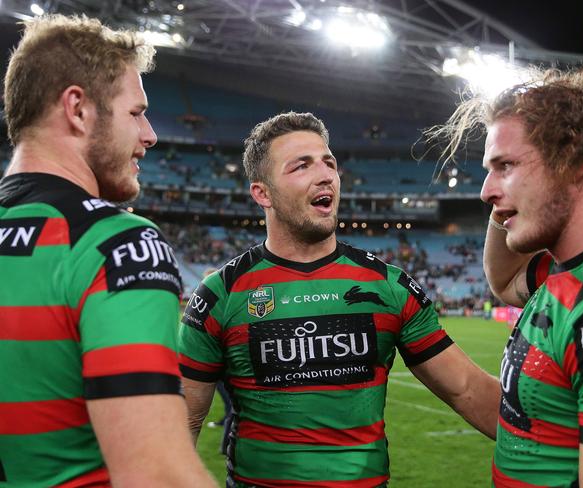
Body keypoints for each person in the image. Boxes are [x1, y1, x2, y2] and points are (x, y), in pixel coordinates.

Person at [178, 111, 500, 487]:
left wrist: (568, 444)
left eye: (329, 163)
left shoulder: (388, 286)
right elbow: (183, 421)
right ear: (262, 193)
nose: (325, 174)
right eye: (301, 166)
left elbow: (467, 389)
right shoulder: (221, 294)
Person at [0, 15, 216, 487]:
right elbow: (158, 476)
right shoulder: (118, 243)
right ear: (78, 109)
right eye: (136, 113)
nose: (150, 135)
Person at [430, 67, 583, 487]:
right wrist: (508, 196)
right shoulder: (571, 269)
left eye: (505, 165)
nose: (485, 192)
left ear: (577, 161)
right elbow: (504, 278)